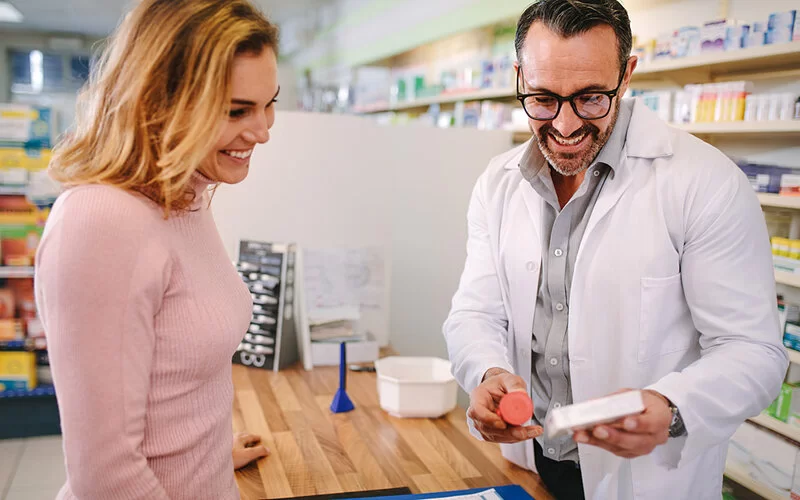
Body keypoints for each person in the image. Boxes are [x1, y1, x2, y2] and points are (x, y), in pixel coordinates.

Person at [442, 1, 788, 499]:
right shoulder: (497, 183)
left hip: (647, 480)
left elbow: (754, 351)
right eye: (542, 97)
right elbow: (475, 311)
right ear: (518, 76)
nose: (563, 126)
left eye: (589, 98)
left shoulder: (705, 182)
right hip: (530, 461)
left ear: (626, 75)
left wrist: (672, 407)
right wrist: (488, 372)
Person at [35, 0, 279, 498]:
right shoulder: (101, 221)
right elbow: (105, 476)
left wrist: (206, 455)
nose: (262, 131)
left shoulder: (187, 196)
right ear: (160, 100)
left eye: (269, 102)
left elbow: (169, 380)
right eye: (237, 110)